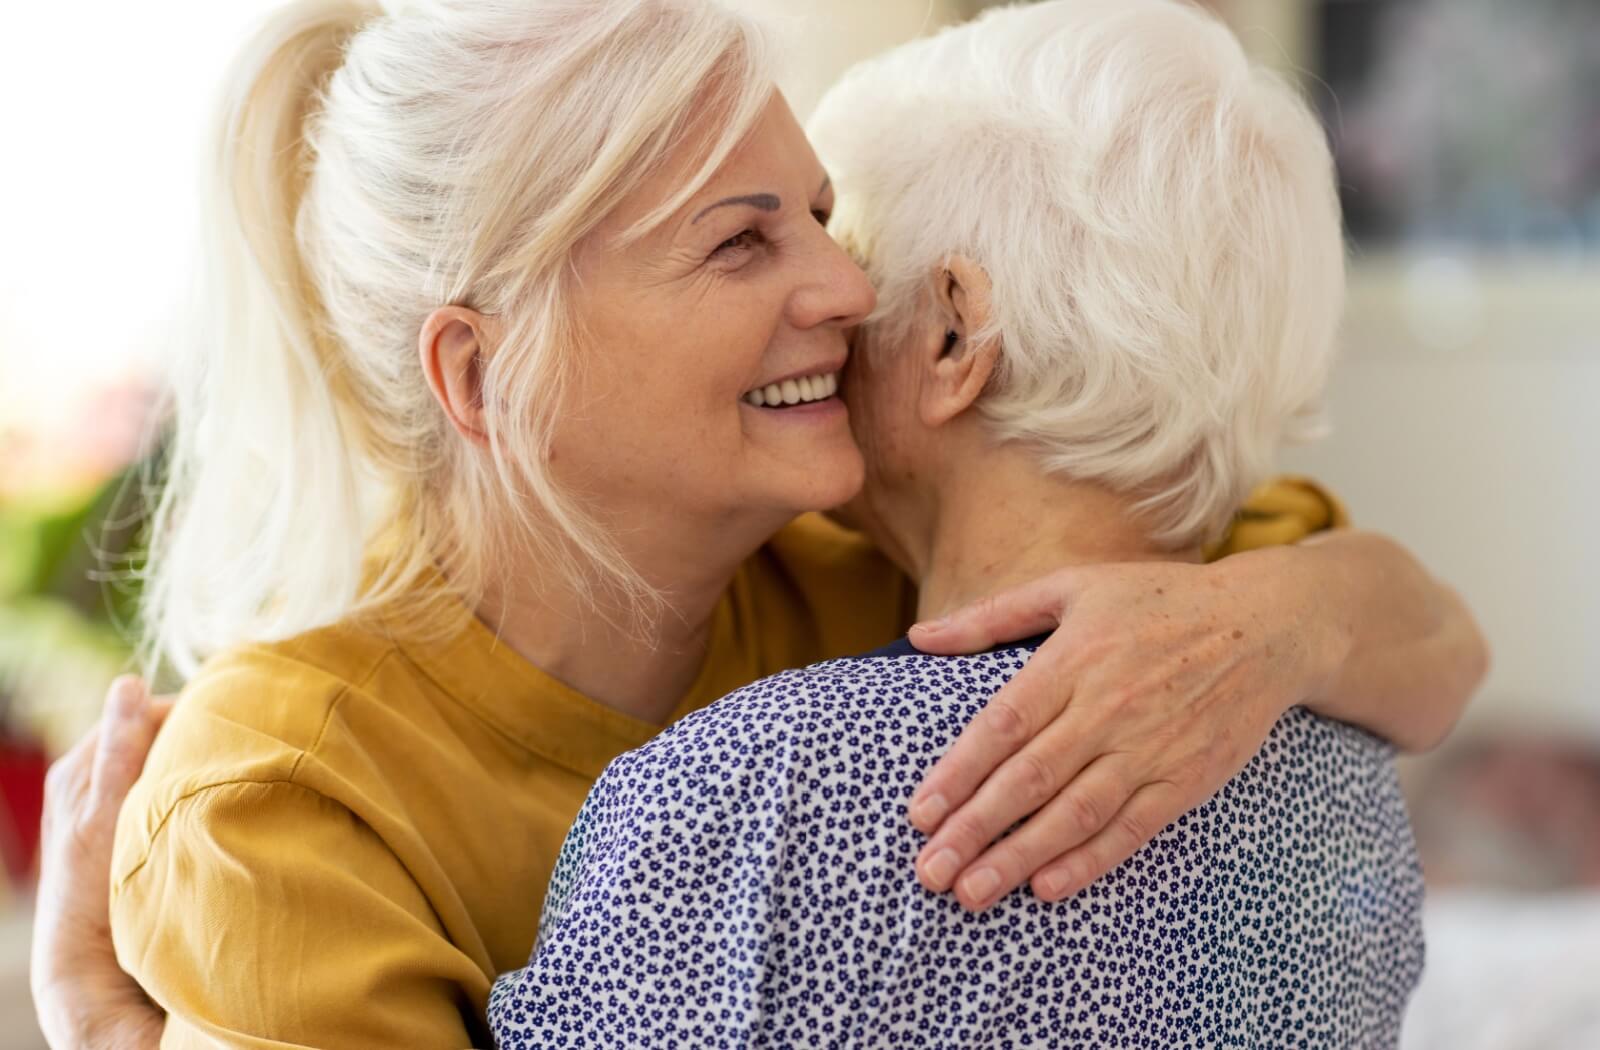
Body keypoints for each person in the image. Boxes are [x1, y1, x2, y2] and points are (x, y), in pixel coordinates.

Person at [30, 0, 1486, 1046]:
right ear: (481, 370)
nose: (849, 288)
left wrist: (1275, 626)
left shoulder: (890, 567)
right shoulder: (282, 799)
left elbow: (1425, 636)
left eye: (818, 214)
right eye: (743, 239)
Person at [489, 1, 1430, 1045]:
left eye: (842, 242)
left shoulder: (742, 797)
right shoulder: (1358, 788)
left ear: (953, 333)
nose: (830, 296)